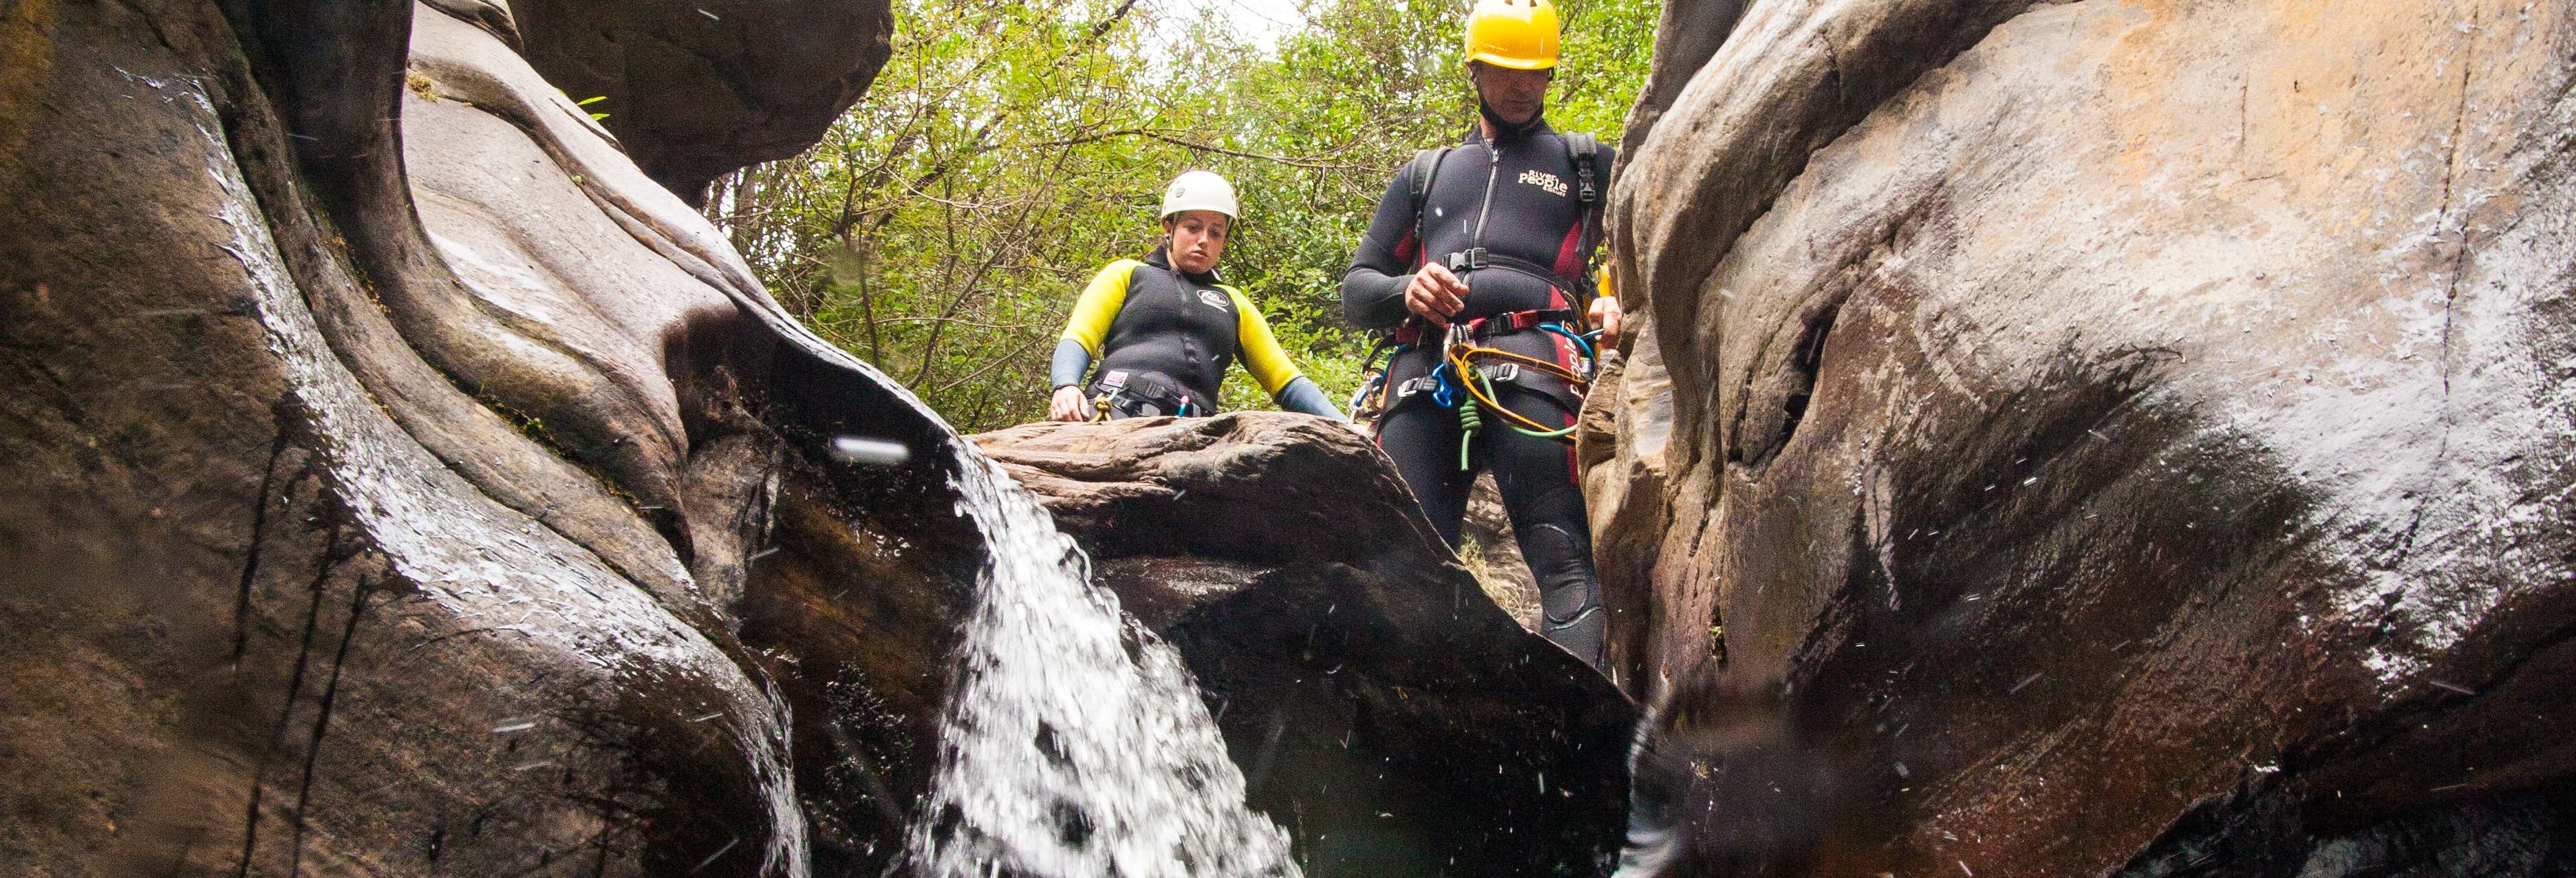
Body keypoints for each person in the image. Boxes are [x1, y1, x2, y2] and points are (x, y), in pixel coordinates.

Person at [1340, 0, 1622, 669]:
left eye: (1536, 73)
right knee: (1404, 574)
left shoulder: (1587, 165)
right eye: (1505, 71)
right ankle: (1404, 746)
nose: (1522, 86)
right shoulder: (1427, 174)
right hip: (1422, 369)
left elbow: (1646, 251)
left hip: (1536, 358)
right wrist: (1405, 289)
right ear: (1475, 70)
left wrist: (1615, 300)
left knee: (1564, 563)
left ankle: (1575, 750)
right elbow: (1357, 291)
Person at [1050, 170, 1345, 422]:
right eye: (1193, 228)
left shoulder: (1234, 303)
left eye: (1216, 233)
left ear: (1224, 241)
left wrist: (1347, 426)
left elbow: (1287, 382)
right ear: (1169, 228)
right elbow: (1079, 337)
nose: (1204, 239)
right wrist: (1065, 385)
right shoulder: (1126, 274)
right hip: (1116, 409)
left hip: (1194, 434)